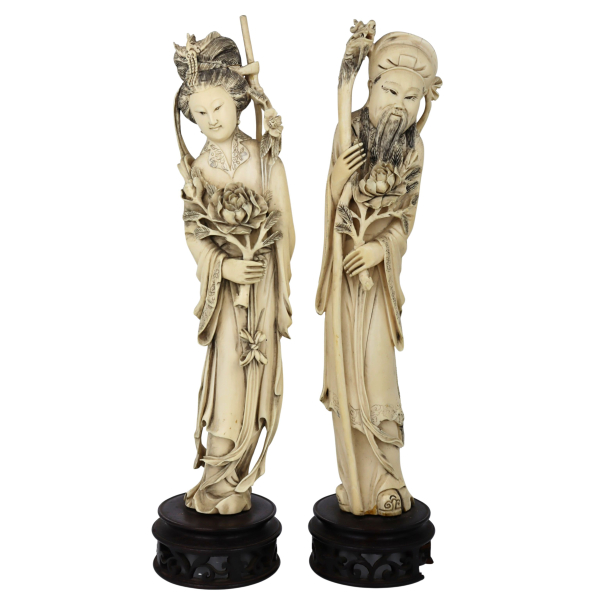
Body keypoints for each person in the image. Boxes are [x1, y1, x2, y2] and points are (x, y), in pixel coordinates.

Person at [316, 32, 442, 516]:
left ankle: (388, 478)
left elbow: (406, 218)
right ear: (370, 86)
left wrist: (379, 249)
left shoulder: (414, 148)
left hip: (378, 282)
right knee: (348, 375)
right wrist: (336, 182)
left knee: (378, 375)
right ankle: (356, 483)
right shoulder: (346, 130)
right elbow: (332, 204)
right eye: (390, 91)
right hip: (346, 282)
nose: (398, 106)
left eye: (411, 98)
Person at [174, 32, 294, 514]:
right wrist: (224, 265)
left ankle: (237, 475)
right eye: (200, 112)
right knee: (228, 373)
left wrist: (267, 270)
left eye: (218, 107)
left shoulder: (265, 160)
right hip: (226, 294)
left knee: (255, 373)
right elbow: (194, 234)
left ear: (238, 101)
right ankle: (217, 474)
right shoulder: (199, 169)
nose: (211, 119)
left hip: (260, 288)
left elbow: (285, 227)